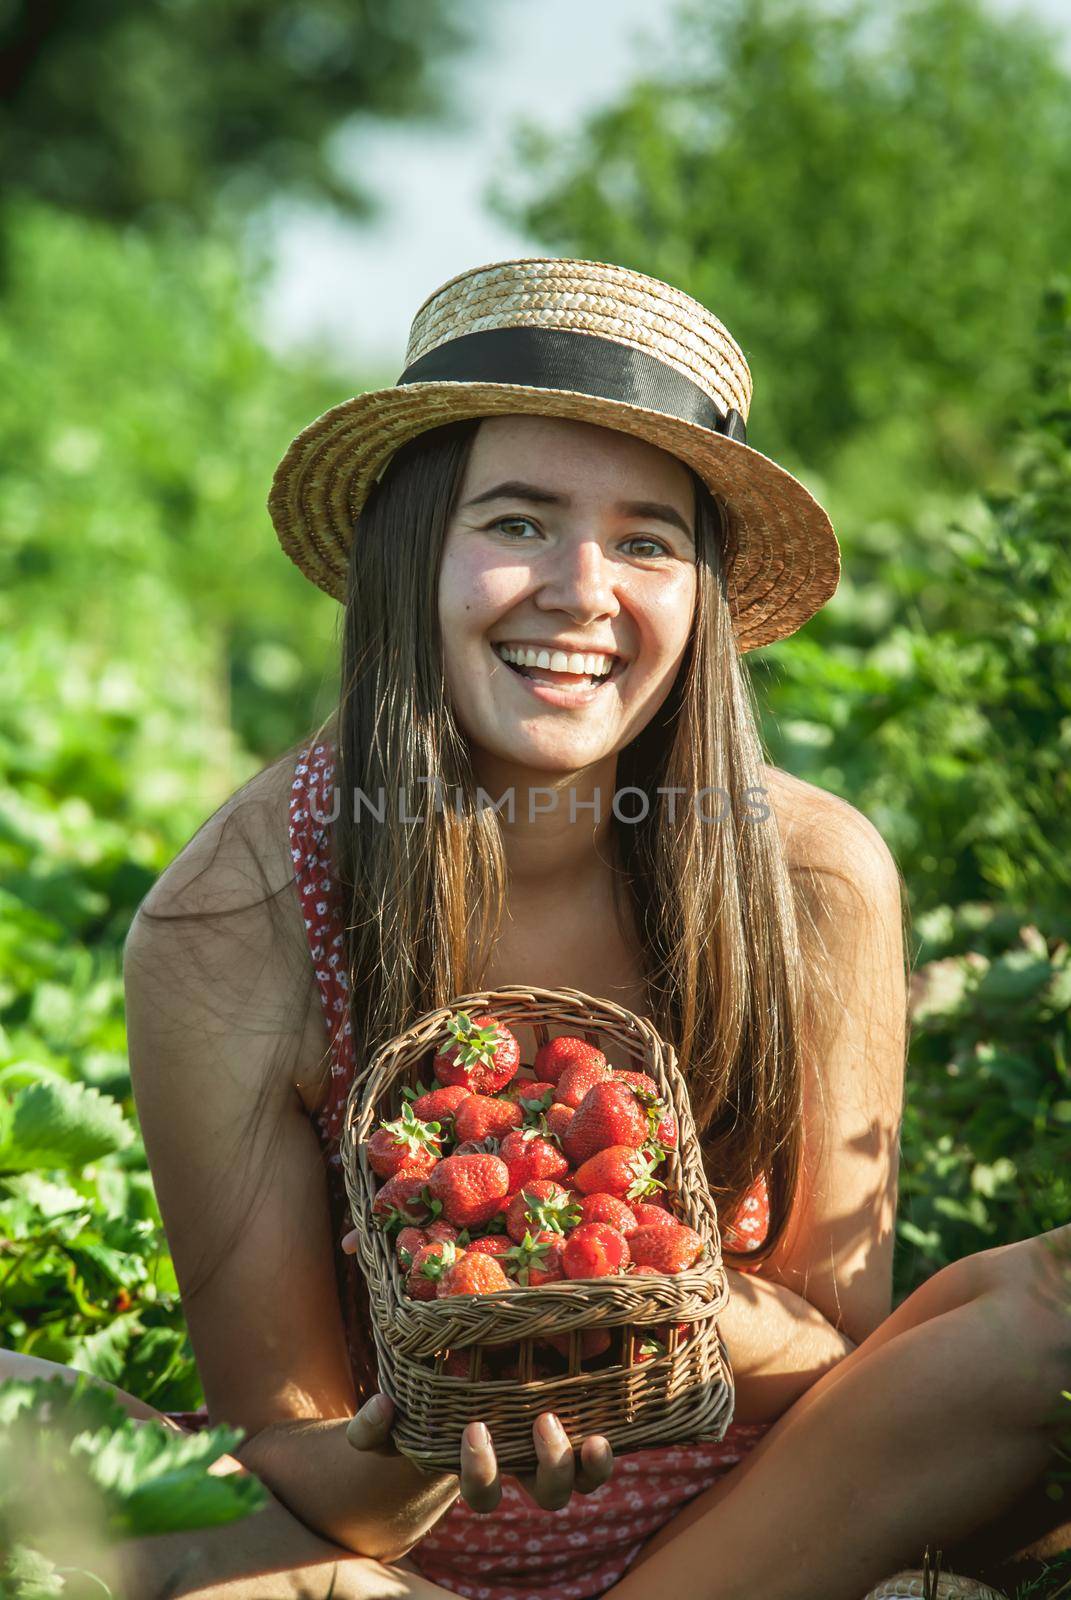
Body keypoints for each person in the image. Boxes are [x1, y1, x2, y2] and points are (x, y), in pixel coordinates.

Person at [6, 258, 1068, 1600]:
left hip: (744, 1541)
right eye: (515, 523)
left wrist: (644, 1310)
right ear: (413, 552)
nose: (583, 588)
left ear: (702, 596)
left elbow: (838, 1368)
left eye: (647, 539)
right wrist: (438, 1417)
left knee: (1047, 1323)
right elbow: (279, 1451)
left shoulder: (810, 875)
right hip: (379, 1561)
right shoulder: (238, 918)